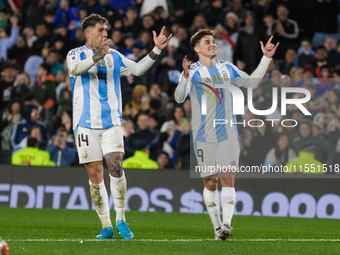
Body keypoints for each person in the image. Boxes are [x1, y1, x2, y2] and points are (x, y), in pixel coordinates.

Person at [66, 14, 171, 239]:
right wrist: (96, 57)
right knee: (95, 174)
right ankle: (106, 225)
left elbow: (139, 70)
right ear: (88, 33)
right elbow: (75, 70)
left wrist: (156, 51)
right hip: (84, 124)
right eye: (101, 30)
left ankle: (121, 219)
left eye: (106, 30)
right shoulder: (75, 54)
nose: (106, 34)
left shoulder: (114, 56)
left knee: (115, 166)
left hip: (112, 122)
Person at [174, 29, 278, 240]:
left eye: (213, 41)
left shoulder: (227, 68)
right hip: (203, 137)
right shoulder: (192, 71)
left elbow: (252, 82)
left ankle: (226, 226)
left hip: (228, 134)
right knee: (210, 183)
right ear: (197, 48)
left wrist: (265, 59)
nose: (212, 44)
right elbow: (178, 98)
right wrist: (184, 78)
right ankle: (216, 226)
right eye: (207, 42)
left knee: (228, 179)